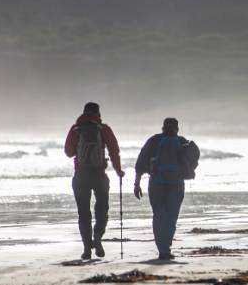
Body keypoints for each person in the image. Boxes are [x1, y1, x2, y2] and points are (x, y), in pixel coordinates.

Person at [63, 102, 124, 261]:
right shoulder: (103, 129)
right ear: (98, 114)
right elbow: (114, 150)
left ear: (83, 113)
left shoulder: (76, 129)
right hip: (99, 175)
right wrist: (118, 170)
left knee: (83, 213)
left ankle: (86, 247)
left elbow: (68, 152)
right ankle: (97, 237)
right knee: (102, 209)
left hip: (81, 176)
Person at [134, 117, 192, 260]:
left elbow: (140, 163)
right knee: (171, 216)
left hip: (156, 184)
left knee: (159, 216)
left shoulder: (154, 141)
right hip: (176, 184)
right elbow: (192, 161)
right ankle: (166, 247)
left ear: (163, 128)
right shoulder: (182, 141)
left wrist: (137, 184)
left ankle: (162, 248)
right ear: (177, 129)